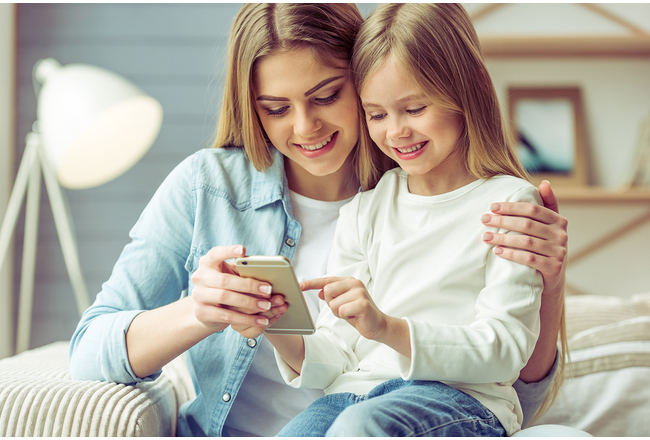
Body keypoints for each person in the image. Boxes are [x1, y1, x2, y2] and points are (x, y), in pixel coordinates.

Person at [68, 4, 567, 437]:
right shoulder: (212, 188)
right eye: (276, 108)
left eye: (327, 95)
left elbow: (506, 394)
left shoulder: (427, 180)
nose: (305, 128)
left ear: (366, 73)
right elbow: (90, 352)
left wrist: (551, 284)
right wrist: (205, 312)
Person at [261, 3, 567, 437]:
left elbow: (505, 348)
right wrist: (276, 326)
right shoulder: (365, 211)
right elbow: (338, 358)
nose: (396, 131)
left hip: (461, 400)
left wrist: (388, 328)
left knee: (359, 426)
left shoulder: (510, 203)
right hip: (354, 394)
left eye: (414, 108)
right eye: (377, 114)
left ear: (463, 93)